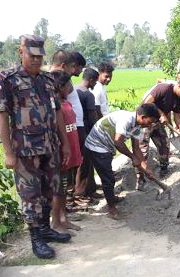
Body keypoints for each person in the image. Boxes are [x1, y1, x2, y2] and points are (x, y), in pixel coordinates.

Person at [0, 34, 72, 259]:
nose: (37, 60)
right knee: (31, 195)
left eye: (40, 56)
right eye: (32, 55)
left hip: (50, 146)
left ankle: (46, 229)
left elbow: (57, 112)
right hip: (25, 150)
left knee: (51, 189)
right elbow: (2, 115)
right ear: (21, 53)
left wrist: (65, 143)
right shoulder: (8, 79)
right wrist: (8, 152)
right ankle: (36, 238)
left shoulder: (48, 81)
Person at [84, 104, 160, 218]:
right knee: (108, 179)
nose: (150, 125)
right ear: (143, 117)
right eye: (150, 121)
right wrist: (133, 157)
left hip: (106, 146)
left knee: (108, 177)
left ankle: (112, 199)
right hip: (97, 145)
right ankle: (112, 210)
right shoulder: (127, 120)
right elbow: (118, 142)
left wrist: (146, 169)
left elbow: (136, 149)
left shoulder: (137, 126)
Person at [137, 79, 180, 188]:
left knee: (164, 144)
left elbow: (177, 118)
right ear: (179, 86)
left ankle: (164, 168)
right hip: (145, 121)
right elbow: (147, 102)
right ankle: (140, 177)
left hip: (158, 122)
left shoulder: (177, 99)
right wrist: (161, 113)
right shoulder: (163, 88)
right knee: (142, 149)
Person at [49, 70, 83, 233]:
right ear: (61, 86)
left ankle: (64, 218)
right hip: (63, 152)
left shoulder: (65, 102)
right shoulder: (56, 106)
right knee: (59, 189)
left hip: (72, 151)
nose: (71, 86)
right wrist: (65, 147)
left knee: (65, 187)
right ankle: (56, 221)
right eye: (69, 83)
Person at [74, 68, 99, 199]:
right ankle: (83, 193)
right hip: (86, 131)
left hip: (74, 131)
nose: (95, 85)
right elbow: (92, 117)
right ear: (91, 80)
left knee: (79, 162)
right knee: (86, 163)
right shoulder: (88, 95)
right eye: (95, 82)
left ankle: (88, 189)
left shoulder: (73, 90)